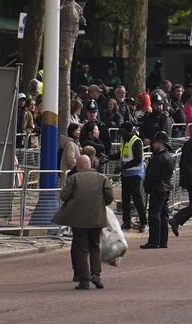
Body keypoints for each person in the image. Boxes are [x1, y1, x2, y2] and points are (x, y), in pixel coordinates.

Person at [52, 153, 115, 289]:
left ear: (79, 166)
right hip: (97, 218)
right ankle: (96, 274)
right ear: (90, 164)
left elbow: (64, 195)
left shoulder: (74, 178)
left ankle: (84, 279)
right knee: (95, 247)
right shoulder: (102, 178)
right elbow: (110, 197)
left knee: (81, 248)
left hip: (79, 219)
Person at [141, 133, 174, 249]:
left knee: (154, 214)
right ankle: (163, 240)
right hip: (165, 188)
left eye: (155, 143)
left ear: (161, 143)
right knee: (164, 215)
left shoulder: (159, 158)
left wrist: (147, 186)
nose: (153, 145)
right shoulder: (169, 156)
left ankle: (154, 240)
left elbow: (152, 175)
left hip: (158, 188)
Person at [116, 123, 146, 232]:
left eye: (122, 130)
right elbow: (121, 154)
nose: (120, 132)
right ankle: (126, 222)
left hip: (135, 175)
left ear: (128, 131)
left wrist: (123, 167)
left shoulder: (136, 141)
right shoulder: (124, 140)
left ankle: (143, 222)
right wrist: (108, 157)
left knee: (137, 199)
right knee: (125, 200)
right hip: (125, 175)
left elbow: (138, 159)